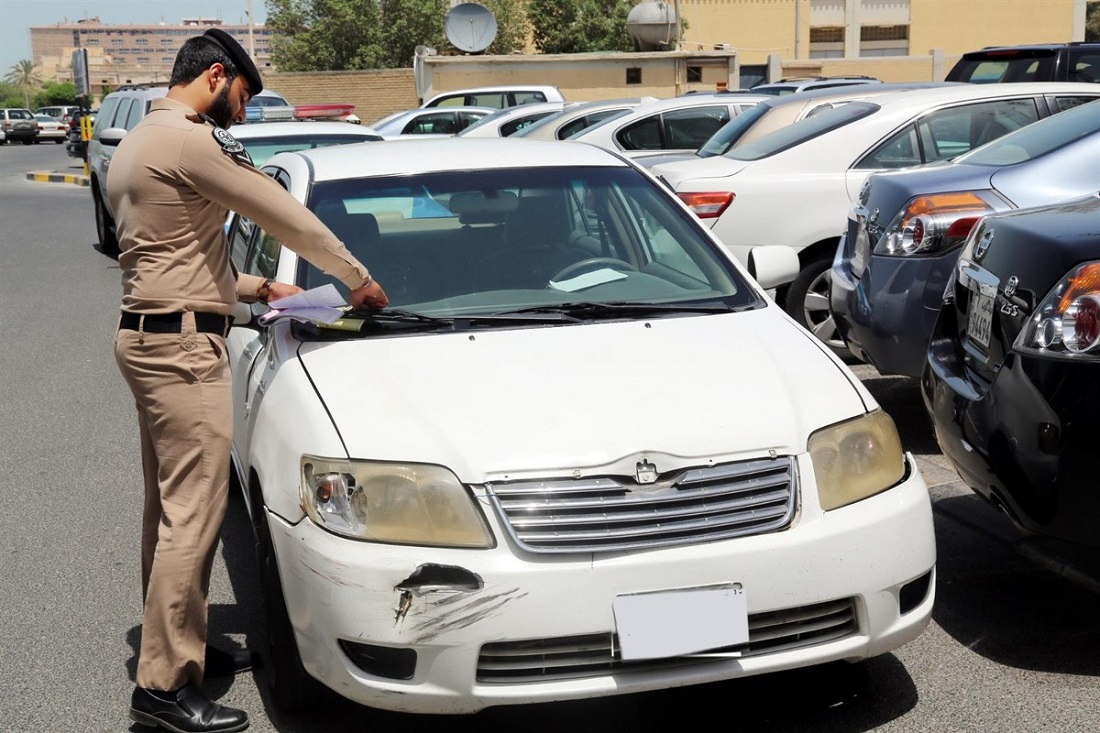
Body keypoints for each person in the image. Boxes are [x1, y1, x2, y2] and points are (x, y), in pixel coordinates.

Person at [109, 28, 388, 733]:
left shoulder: (143, 139)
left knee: (168, 511)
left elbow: (172, 260)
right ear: (213, 75)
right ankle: (164, 689)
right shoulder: (188, 140)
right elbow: (280, 210)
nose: (243, 107)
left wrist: (261, 288)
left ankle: (181, 645)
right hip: (181, 352)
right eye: (242, 93)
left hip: (149, 335)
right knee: (192, 518)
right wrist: (354, 278)